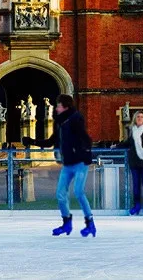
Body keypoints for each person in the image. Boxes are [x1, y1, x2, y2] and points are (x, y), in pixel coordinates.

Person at [22, 94, 96, 237]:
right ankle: (66, 223)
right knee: (60, 194)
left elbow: (86, 138)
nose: (56, 108)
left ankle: (90, 223)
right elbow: (50, 142)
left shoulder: (76, 118)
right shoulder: (60, 123)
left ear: (65, 106)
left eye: (59, 105)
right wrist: (32, 141)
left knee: (79, 192)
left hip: (80, 163)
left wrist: (86, 153)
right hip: (67, 164)